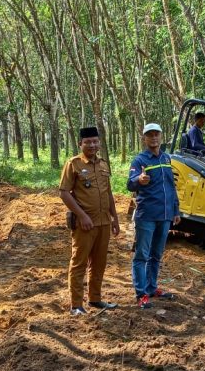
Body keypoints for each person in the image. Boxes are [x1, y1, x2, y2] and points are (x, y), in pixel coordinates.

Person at [59, 126, 120, 316]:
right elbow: (64, 193)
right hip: (85, 224)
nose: (92, 145)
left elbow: (108, 193)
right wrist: (82, 216)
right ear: (80, 144)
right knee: (79, 263)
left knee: (99, 263)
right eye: (88, 142)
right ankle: (76, 305)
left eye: (95, 141)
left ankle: (95, 298)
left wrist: (115, 218)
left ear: (99, 143)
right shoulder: (74, 164)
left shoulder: (103, 164)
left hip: (103, 222)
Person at [127, 123, 181, 309]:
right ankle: (141, 293)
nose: (153, 138)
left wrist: (176, 210)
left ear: (161, 136)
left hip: (165, 215)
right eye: (149, 135)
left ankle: (151, 287)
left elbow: (171, 186)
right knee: (142, 255)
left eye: (156, 134)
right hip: (147, 215)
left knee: (156, 255)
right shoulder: (139, 160)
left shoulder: (166, 158)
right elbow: (130, 184)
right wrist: (138, 180)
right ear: (144, 138)